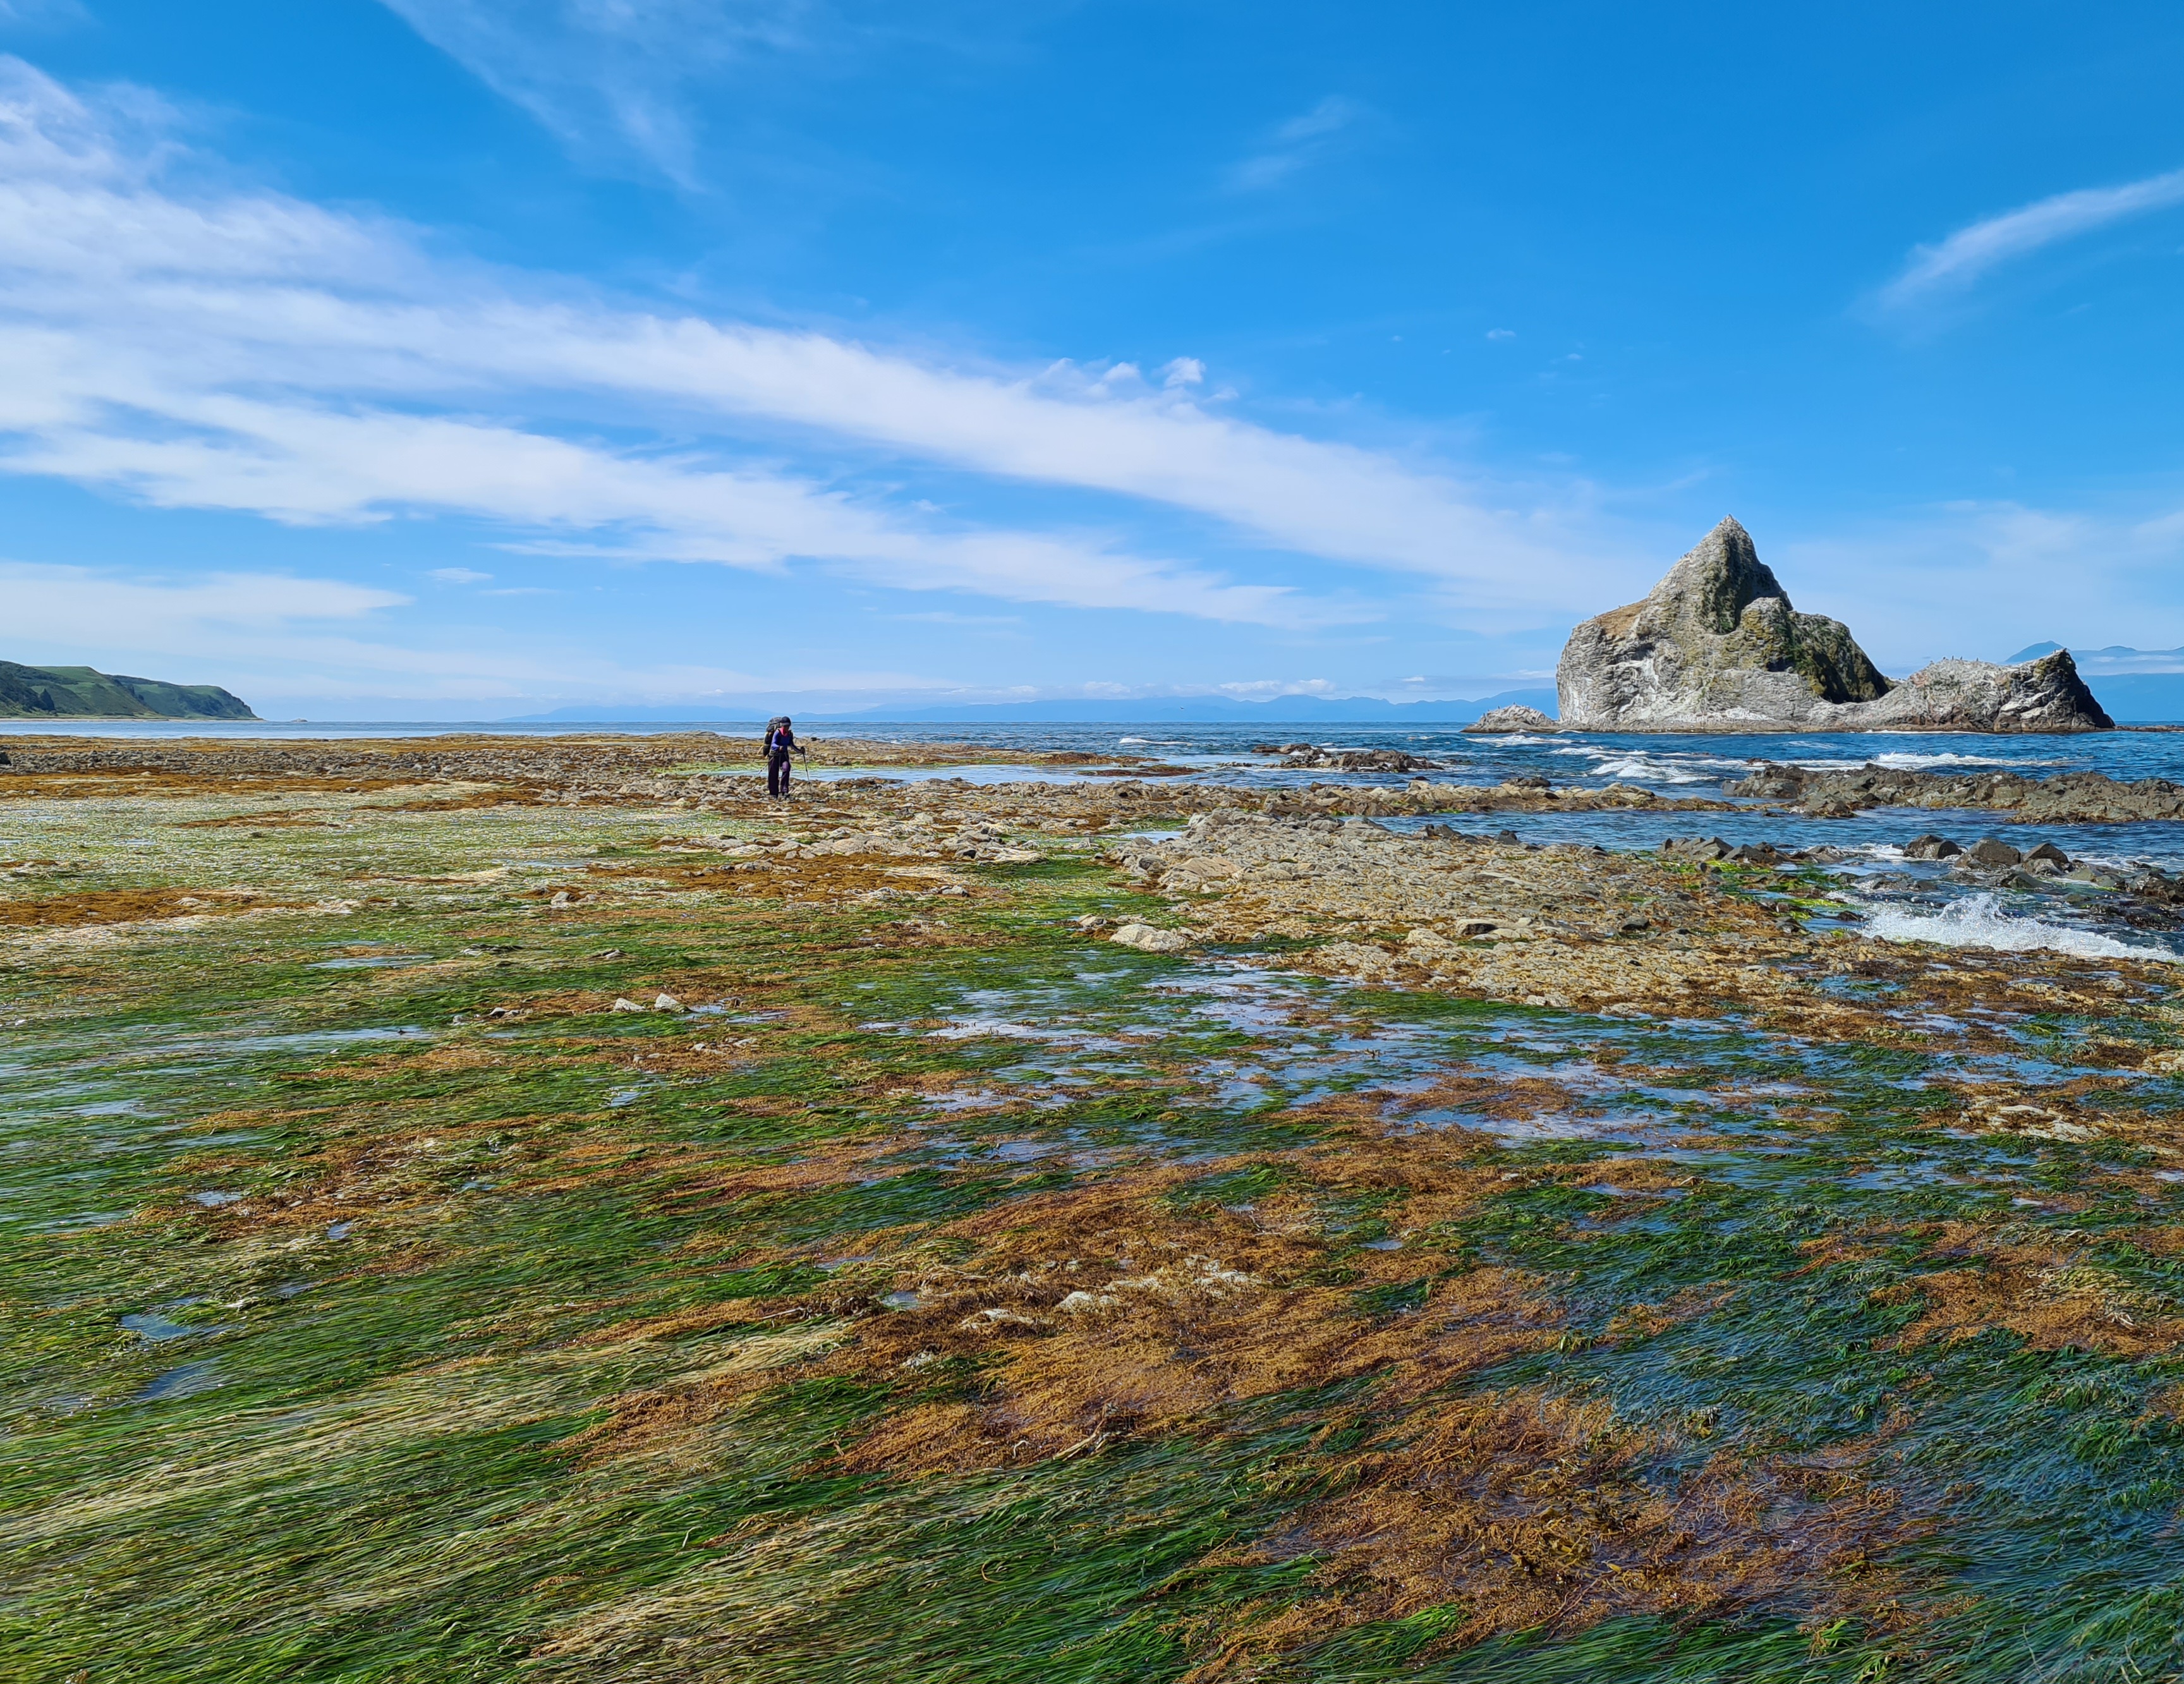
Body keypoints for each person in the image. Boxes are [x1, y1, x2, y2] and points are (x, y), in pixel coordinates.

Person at [763, 715, 805, 799]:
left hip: (784, 755)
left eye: (788, 726)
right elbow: (773, 744)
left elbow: (791, 745)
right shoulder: (777, 733)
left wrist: (800, 751)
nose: (787, 728)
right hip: (774, 755)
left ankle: (784, 791)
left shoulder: (789, 734)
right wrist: (779, 747)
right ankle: (774, 793)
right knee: (773, 774)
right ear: (782, 725)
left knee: (787, 768)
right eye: (785, 726)